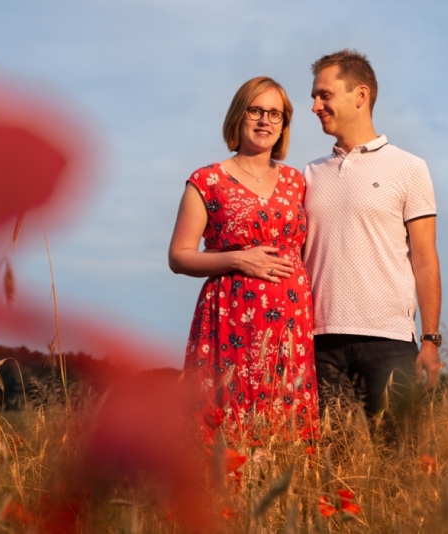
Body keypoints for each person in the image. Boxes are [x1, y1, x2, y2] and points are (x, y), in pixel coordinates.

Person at [168, 77, 320, 446]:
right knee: (226, 423)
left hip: (290, 324)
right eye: (256, 110)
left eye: (275, 114)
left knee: (285, 429)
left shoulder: (296, 181)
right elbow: (179, 256)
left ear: (284, 125)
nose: (265, 121)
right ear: (239, 115)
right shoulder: (207, 180)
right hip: (230, 317)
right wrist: (238, 259)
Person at [303, 50, 442, 432]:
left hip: (389, 341)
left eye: (324, 95)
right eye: (314, 97)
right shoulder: (308, 174)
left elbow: (425, 259)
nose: (315, 106)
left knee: (398, 463)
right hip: (319, 343)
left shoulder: (410, 168)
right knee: (334, 468)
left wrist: (430, 340)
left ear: (360, 95)